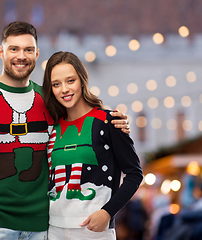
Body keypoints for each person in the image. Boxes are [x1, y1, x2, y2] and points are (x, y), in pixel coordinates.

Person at [0, 22, 130, 240]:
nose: (21, 56)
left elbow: (80, 119)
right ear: (1, 51)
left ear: (37, 54)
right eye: (14, 49)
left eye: (28, 50)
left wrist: (114, 123)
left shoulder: (50, 100)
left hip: (43, 228)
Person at [42, 51, 143, 240]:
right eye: (56, 84)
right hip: (53, 230)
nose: (64, 89)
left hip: (94, 231)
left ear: (82, 80)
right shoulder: (51, 128)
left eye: (70, 80)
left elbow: (134, 174)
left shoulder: (109, 121)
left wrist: (107, 212)